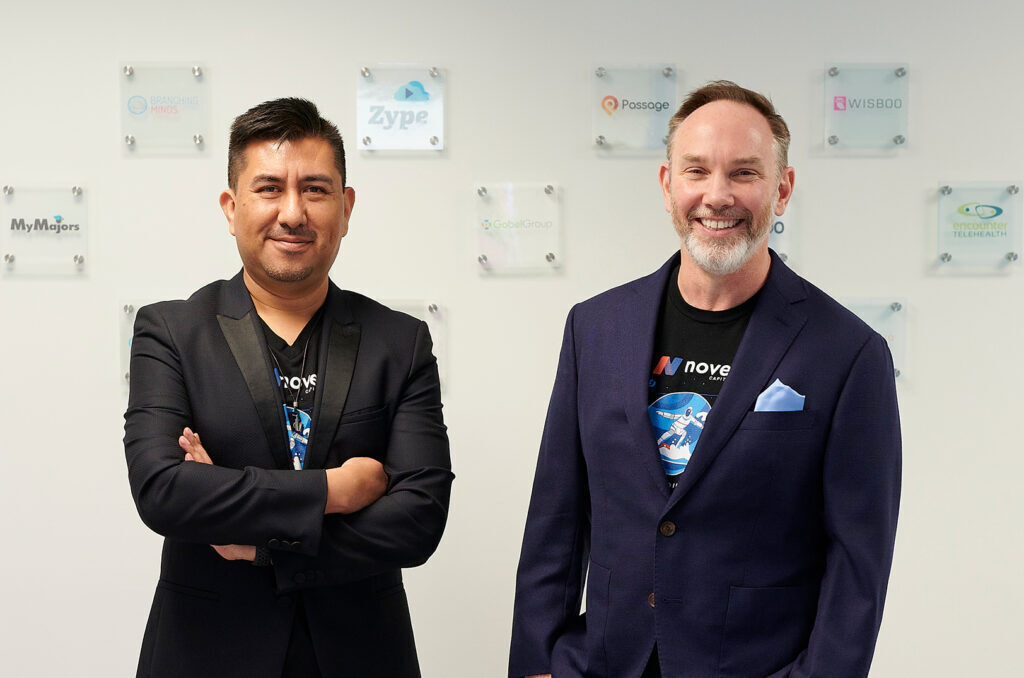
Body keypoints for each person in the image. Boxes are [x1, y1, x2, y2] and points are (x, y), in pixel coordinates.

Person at [509, 81, 901, 678]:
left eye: (744, 172)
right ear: (668, 184)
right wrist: (538, 661)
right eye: (697, 171)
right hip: (603, 662)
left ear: (782, 190)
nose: (717, 196)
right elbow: (556, 517)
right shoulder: (595, 328)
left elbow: (858, 565)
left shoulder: (848, 353)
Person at [124, 97, 453, 678]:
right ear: (232, 208)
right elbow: (164, 491)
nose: (293, 213)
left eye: (316, 190)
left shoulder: (398, 342)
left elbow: (418, 519)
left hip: (362, 657)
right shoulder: (172, 331)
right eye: (269, 189)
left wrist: (262, 546)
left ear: (346, 208)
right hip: (206, 655)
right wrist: (335, 489)